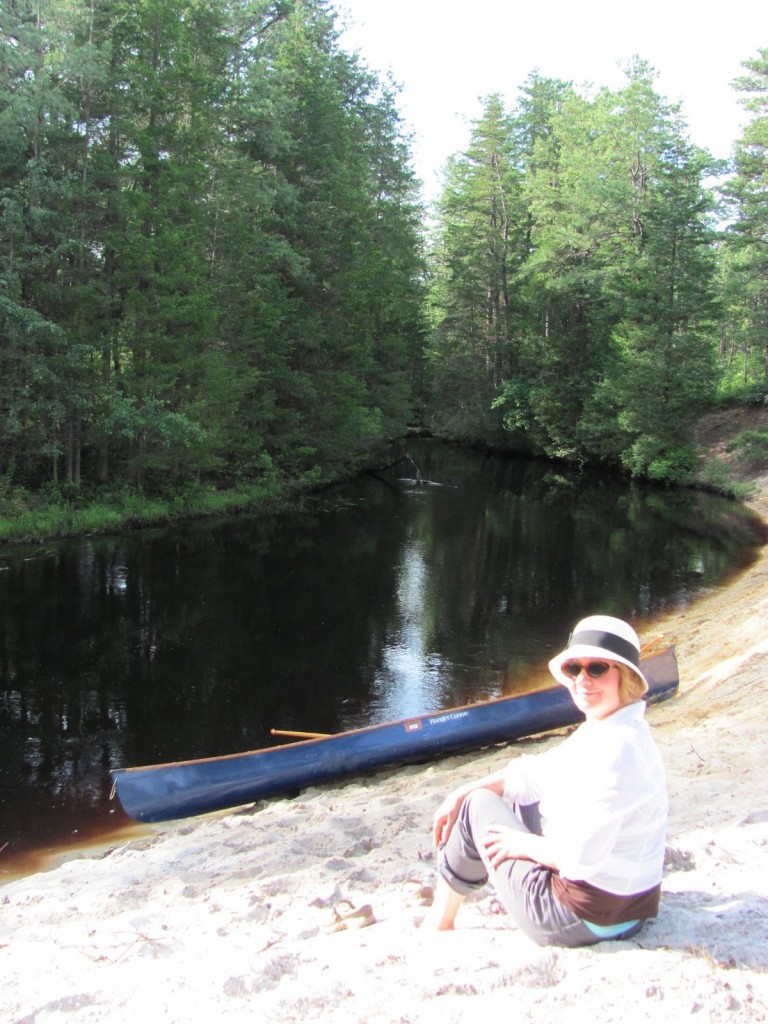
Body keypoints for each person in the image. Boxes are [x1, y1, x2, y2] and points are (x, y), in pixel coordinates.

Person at [428, 614, 668, 946]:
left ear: (624, 677)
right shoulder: (616, 729)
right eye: (575, 669)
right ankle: (462, 876)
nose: (583, 680)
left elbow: (579, 860)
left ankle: (440, 922)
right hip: (632, 908)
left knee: (477, 808)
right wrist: (459, 790)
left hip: (582, 916)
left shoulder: (616, 750)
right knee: (500, 796)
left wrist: (520, 843)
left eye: (596, 668)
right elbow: (532, 775)